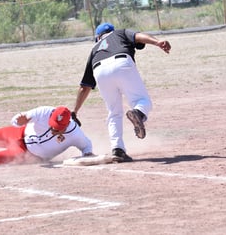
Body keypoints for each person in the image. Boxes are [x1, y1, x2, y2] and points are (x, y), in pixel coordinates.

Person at [72, 22, 171, 162]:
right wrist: (157, 42)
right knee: (142, 101)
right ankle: (139, 113)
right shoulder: (120, 32)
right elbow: (138, 36)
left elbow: (85, 86)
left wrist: (75, 111)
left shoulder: (94, 49)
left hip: (99, 71)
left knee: (114, 112)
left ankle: (117, 149)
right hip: (121, 62)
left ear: (98, 37)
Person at [0, 106, 94, 165]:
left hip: (28, 154)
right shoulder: (44, 112)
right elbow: (17, 120)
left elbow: (86, 145)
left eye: (58, 128)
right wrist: (18, 121)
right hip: (20, 133)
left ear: (67, 125)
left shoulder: (75, 133)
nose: (54, 128)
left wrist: (87, 154)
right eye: (52, 124)